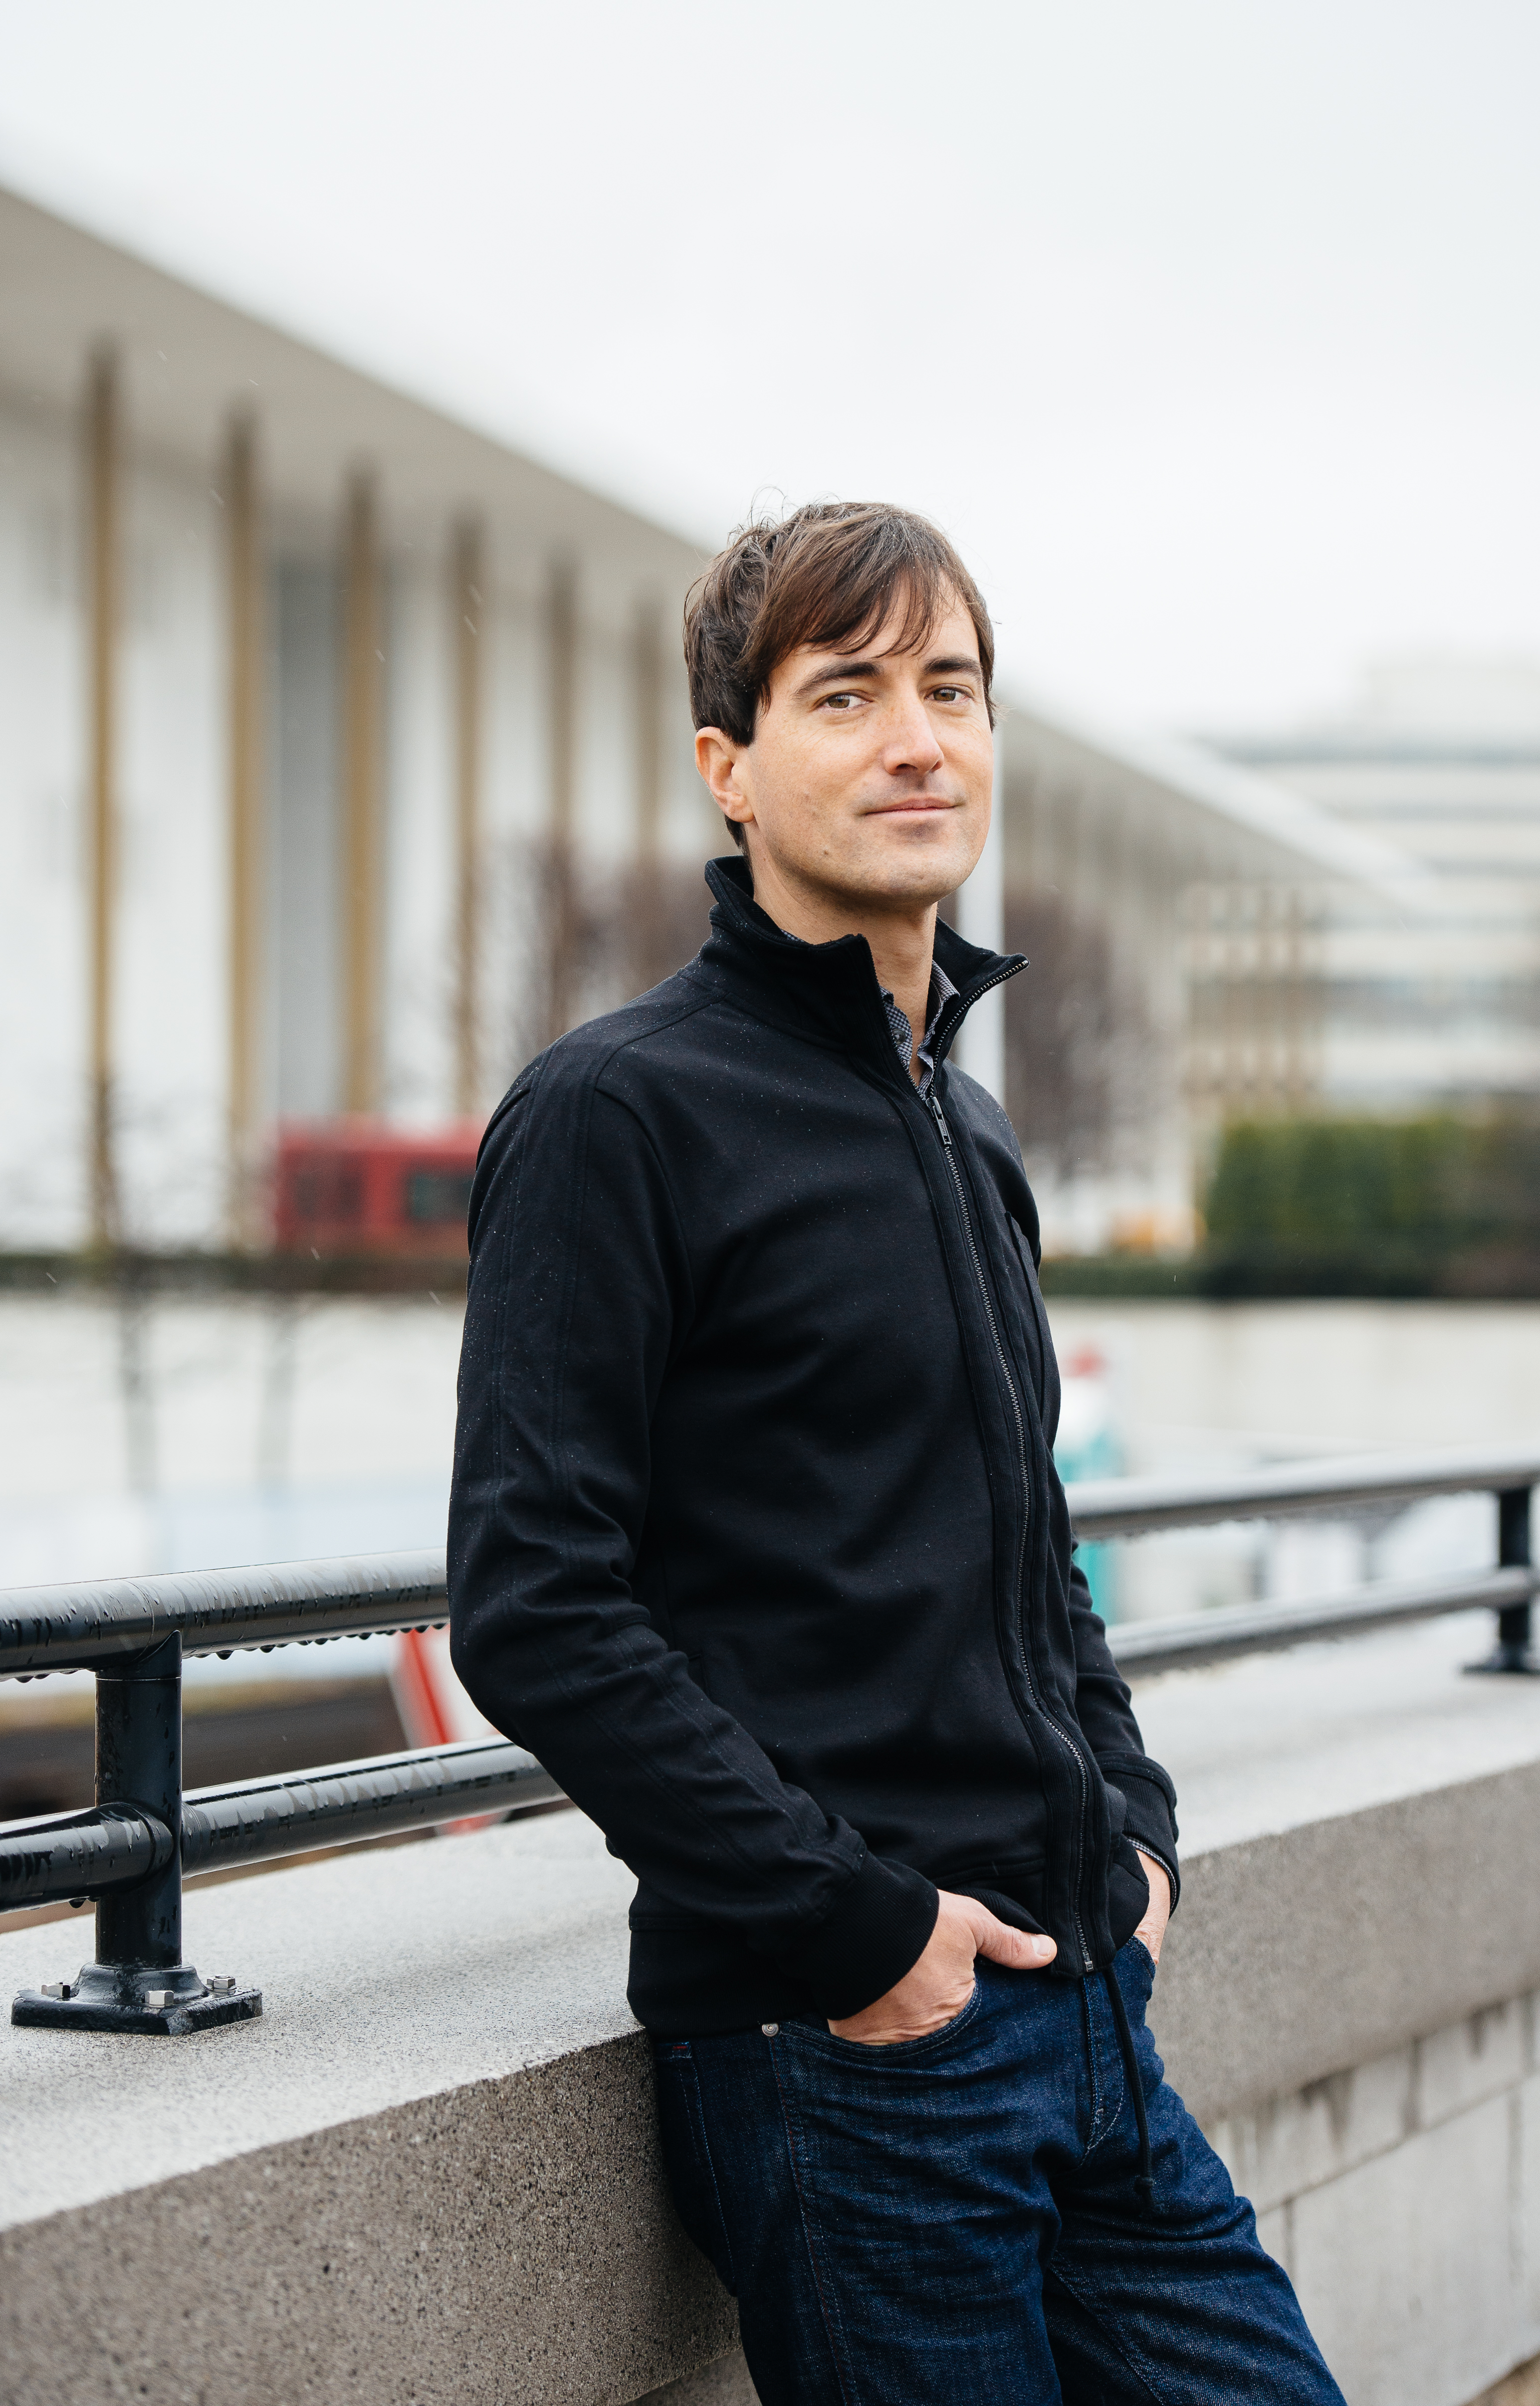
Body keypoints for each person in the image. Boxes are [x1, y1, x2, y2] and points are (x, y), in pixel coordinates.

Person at [449, 501, 1345, 2404]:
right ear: (731, 771)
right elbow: (536, 1605)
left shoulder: (970, 1123)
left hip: (1085, 2006)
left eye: (950, 688)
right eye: (844, 694)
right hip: (854, 2054)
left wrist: (1132, 1824)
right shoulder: (615, 1116)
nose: (916, 738)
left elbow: (1031, 1546)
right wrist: (859, 1935)